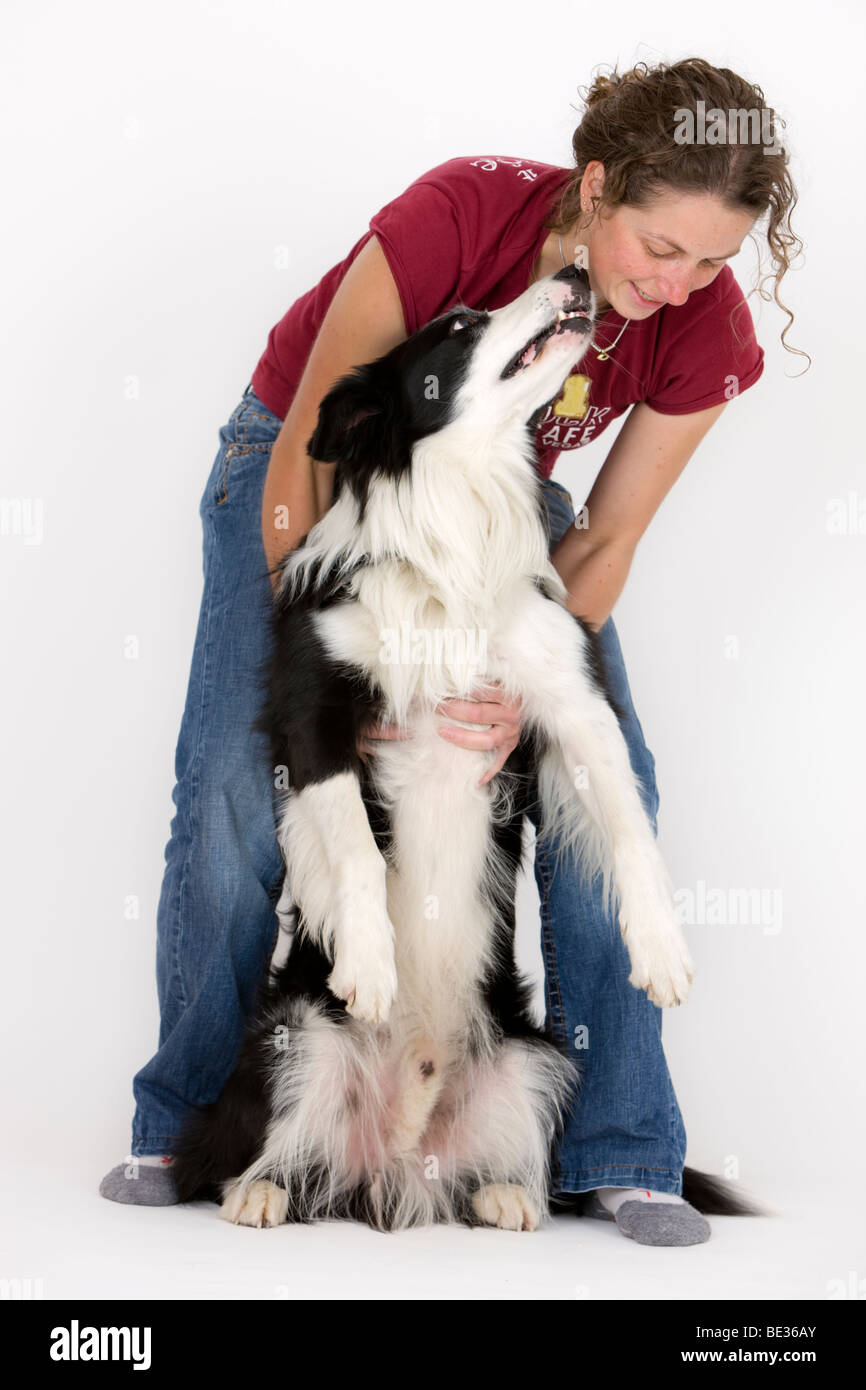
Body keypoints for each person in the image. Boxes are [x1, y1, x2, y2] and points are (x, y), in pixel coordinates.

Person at [100, 57, 802, 1246]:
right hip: (315, 469)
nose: (676, 286)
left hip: (483, 499)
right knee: (236, 777)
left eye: (709, 263)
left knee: (603, 761)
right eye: (657, 246)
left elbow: (609, 533)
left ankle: (622, 1146)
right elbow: (308, 456)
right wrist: (331, 677)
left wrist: (513, 698)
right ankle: (189, 1117)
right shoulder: (459, 215)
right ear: (594, 188)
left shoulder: (703, 329)